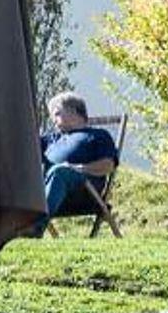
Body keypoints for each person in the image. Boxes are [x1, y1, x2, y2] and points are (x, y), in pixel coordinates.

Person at [35, 93, 118, 231]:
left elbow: (108, 165)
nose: (53, 120)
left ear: (73, 111)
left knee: (59, 171)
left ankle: (35, 227)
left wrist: (78, 168)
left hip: (83, 191)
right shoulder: (51, 139)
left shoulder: (98, 135)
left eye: (57, 114)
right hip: (47, 191)